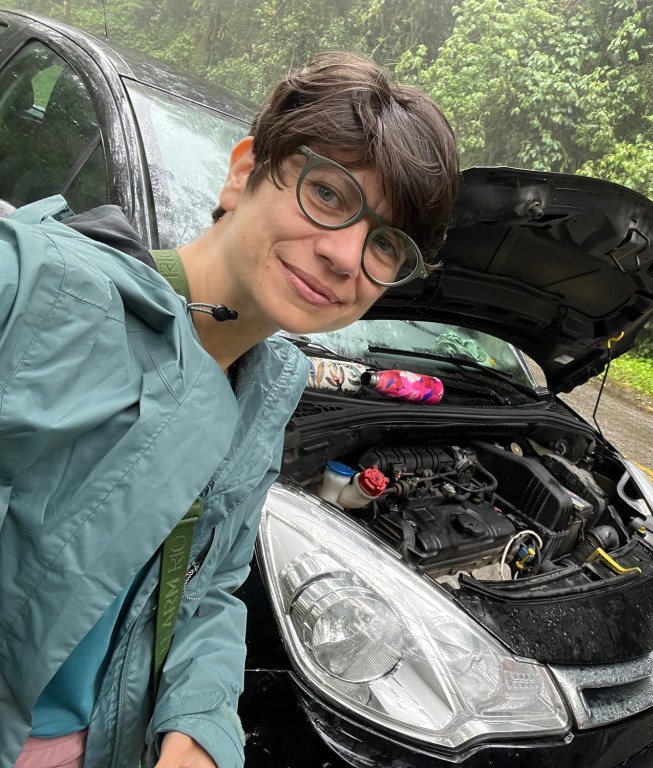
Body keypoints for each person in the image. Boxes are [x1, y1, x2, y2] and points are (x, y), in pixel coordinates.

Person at [0, 51, 459, 768]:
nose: (346, 256)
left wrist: (200, 728)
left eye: (386, 246)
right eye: (328, 193)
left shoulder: (269, 385)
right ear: (245, 171)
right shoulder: (36, 288)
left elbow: (210, 585)